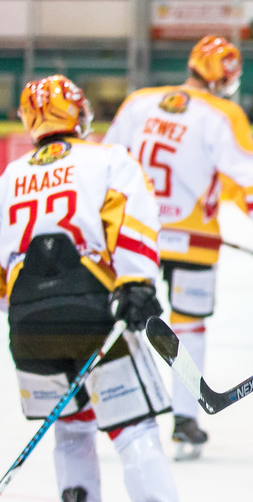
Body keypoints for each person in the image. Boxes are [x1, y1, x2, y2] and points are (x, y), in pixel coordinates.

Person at [104, 35, 253, 459]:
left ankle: (122, 409)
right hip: (191, 240)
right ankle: (184, 418)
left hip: (130, 237)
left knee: (126, 321)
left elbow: (107, 166)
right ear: (226, 78)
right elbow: (249, 182)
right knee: (188, 325)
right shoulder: (222, 113)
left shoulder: (138, 102)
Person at [0, 75, 178, 501]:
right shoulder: (107, 159)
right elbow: (133, 221)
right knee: (134, 429)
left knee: (71, 429)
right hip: (93, 314)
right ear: (78, 112)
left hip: (27, 324)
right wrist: (136, 282)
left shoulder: (9, 176)